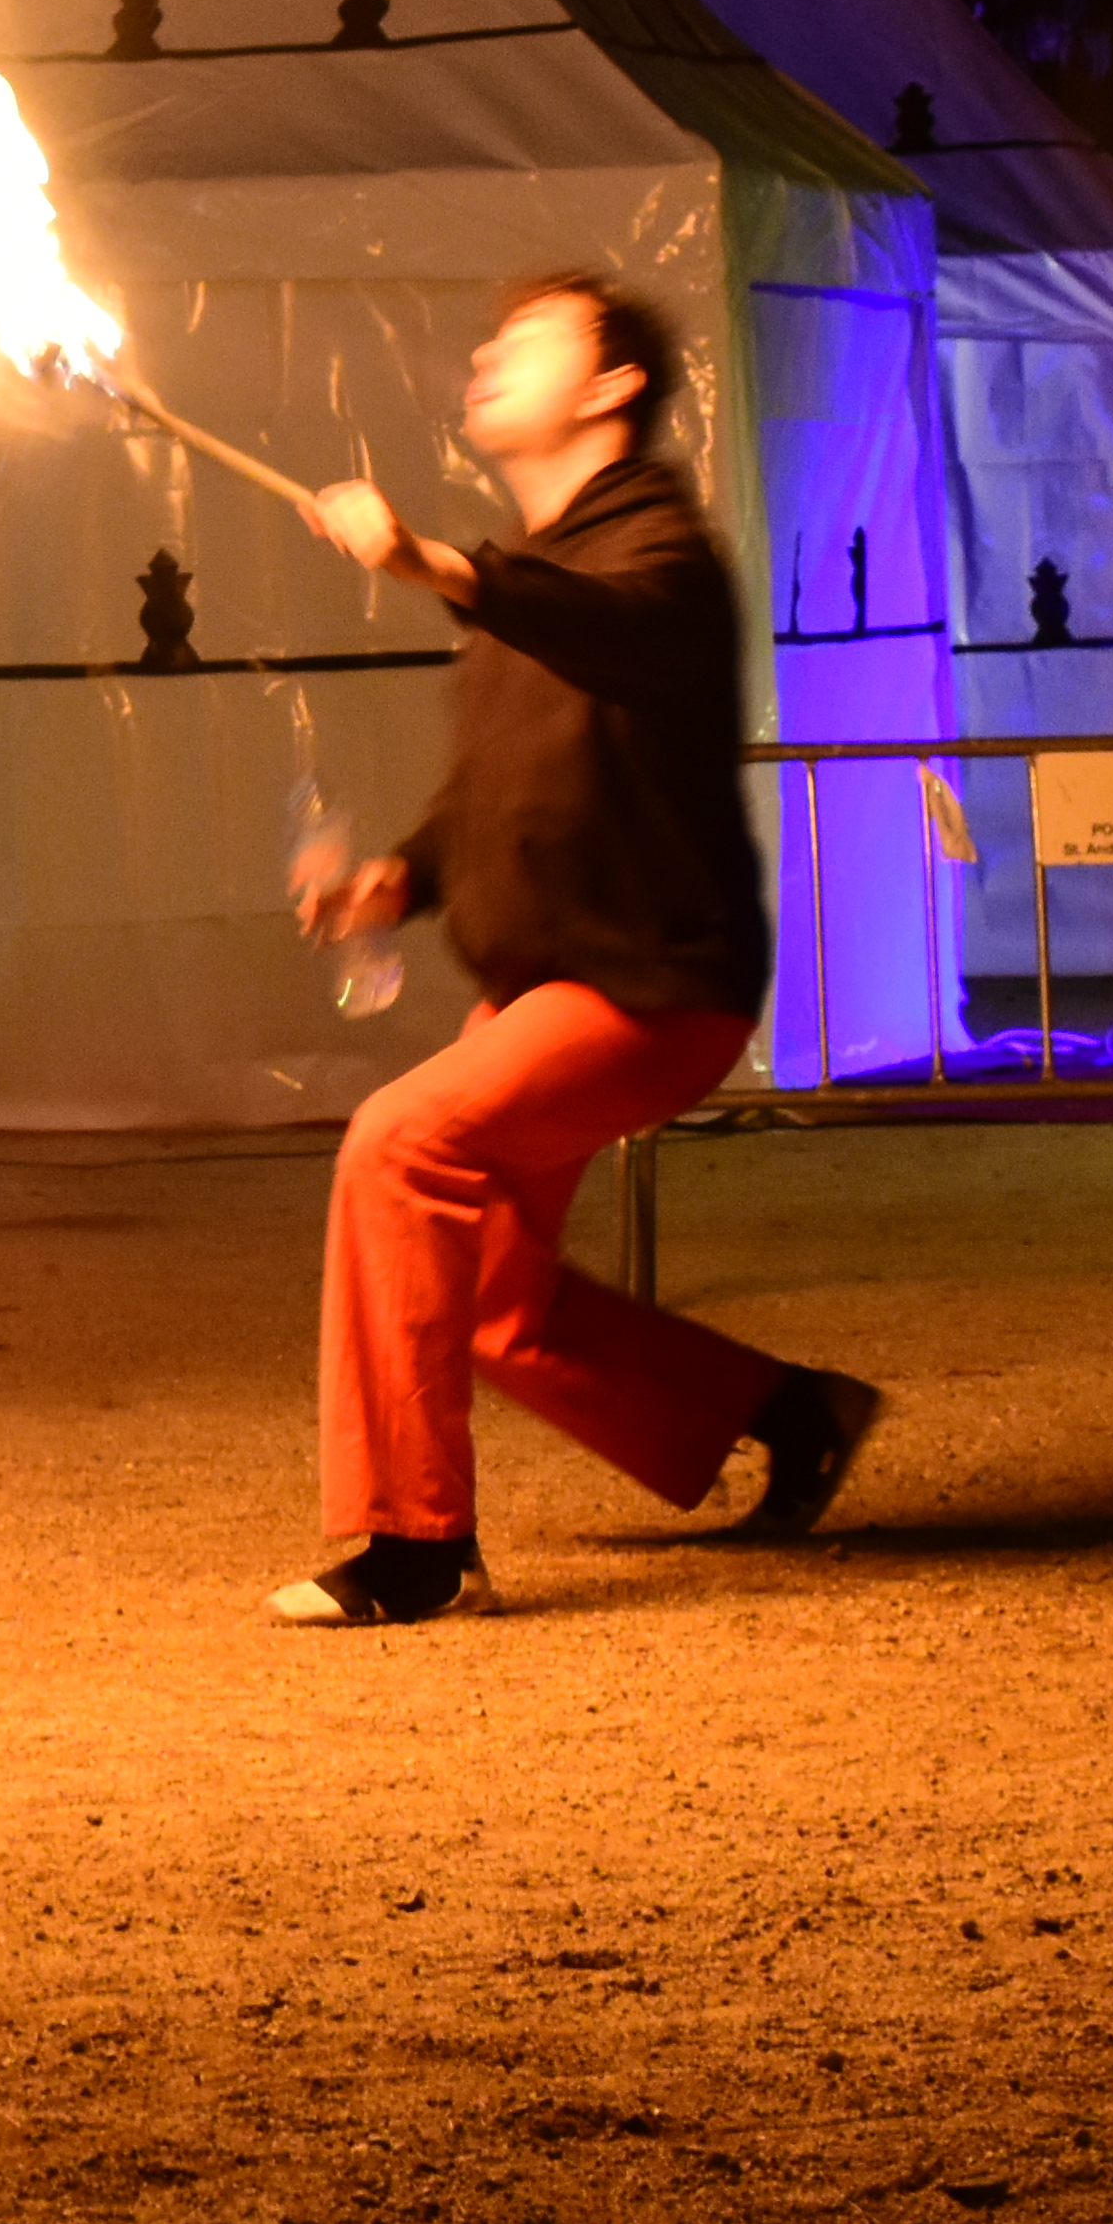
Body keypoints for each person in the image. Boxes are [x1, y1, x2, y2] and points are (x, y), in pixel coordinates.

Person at [269, 273, 888, 1628]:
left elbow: (614, 631)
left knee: (397, 1146)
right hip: (543, 986)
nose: (489, 353)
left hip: (651, 983)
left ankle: (415, 1548)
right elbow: (499, 784)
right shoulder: (531, 577)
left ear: (612, 388)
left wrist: (433, 564)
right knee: (493, 1302)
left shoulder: (661, 557)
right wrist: (401, 878)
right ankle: (790, 1412)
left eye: (530, 339)